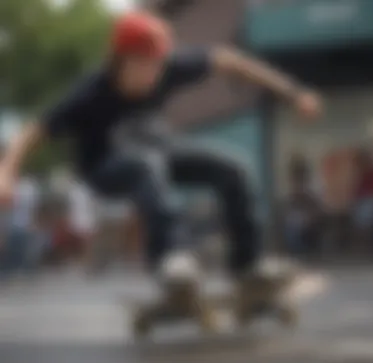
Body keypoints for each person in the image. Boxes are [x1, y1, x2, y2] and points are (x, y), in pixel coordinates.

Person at [0, 12, 321, 293]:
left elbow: (230, 60)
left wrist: (292, 93)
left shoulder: (170, 68)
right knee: (145, 165)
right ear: (118, 61)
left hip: (158, 149)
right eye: (141, 66)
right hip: (103, 166)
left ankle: (247, 266)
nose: (151, 75)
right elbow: (32, 131)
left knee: (233, 168)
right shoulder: (90, 92)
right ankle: (171, 260)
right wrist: (6, 174)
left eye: (156, 66)